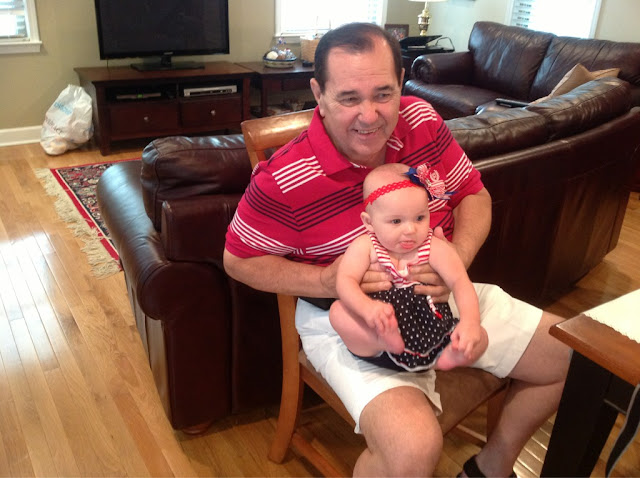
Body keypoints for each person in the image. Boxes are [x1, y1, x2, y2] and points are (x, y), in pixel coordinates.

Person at [224, 22, 570, 477]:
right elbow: (238, 260)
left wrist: (457, 259)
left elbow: (474, 194)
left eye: (383, 94)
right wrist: (326, 280)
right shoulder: (284, 178)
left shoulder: (422, 120)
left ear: (402, 81)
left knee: (572, 356)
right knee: (411, 450)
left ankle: (490, 468)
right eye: (349, 98)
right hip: (350, 317)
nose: (369, 116)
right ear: (319, 94)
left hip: (443, 294)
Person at [330, 162, 488, 372]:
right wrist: (366, 308)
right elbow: (345, 281)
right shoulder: (365, 246)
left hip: (432, 332)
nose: (410, 230)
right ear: (369, 223)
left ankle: (453, 353)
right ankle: (381, 340)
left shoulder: (433, 247)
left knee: (482, 337)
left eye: (420, 218)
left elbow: (460, 282)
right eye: (396, 221)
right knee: (337, 312)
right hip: (378, 336)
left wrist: (470, 322)